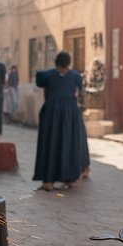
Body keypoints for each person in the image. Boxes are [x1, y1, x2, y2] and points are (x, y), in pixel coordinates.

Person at [33, 51, 90, 191]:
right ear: (69, 63)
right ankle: (69, 178)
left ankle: (48, 180)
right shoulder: (75, 76)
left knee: (50, 144)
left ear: (56, 63)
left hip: (52, 114)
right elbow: (80, 92)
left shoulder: (48, 75)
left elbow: (39, 79)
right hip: (70, 114)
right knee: (69, 144)